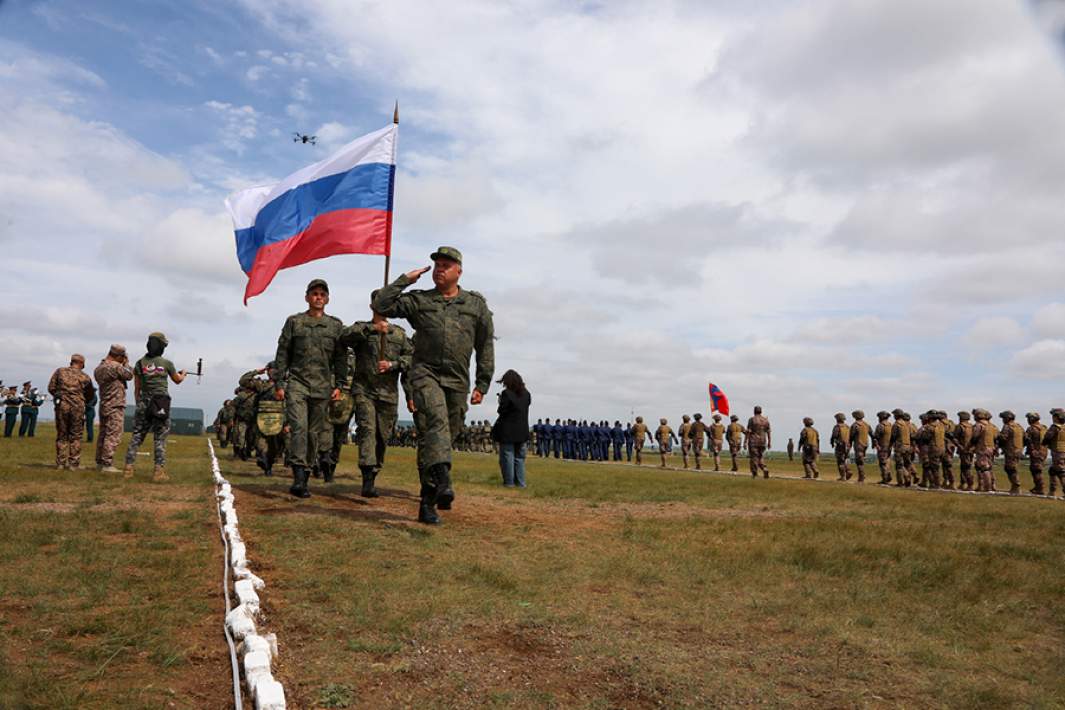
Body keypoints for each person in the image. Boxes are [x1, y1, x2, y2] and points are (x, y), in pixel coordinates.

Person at [373, 247, 495, 525]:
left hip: (457, 380)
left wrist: (483, 383)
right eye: (437, 265)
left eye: (445, 265)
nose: (440, 269)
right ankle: (444, 480)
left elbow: (485, 345)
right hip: (425, 374)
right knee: (437, 423)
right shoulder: (419, 300)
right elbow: (381, 304)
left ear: (458, 271)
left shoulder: (475, 305)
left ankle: (428, 501)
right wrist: (405, 279)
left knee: (441, 439)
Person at [275, 279, 347, 498]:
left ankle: (305, 476)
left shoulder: (335, 325)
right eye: (314, 293)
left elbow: (341, 357)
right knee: (299, 428)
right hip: (297, 384)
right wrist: (279, 383)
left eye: (322, 294)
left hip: (322, 387)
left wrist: (340, 385)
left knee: (314, 433)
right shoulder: (294, 322)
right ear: (307, 297)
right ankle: (297, 476)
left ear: (327, 299)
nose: (318, 297)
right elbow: (282, 353)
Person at [341, 294, 414, 496]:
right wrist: (373, 328)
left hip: (388, 394)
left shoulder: (399, 334)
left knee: (382, 436)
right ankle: (366, 477)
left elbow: (411, 358)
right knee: (367, 430)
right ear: (371, 305)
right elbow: (344, 336)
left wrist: (394, 364)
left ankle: (373, 471)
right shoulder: (362, 328)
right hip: (364, 390)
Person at [123, 333, 186, 481]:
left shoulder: (139, 364)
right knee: (160, 437)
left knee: (137, 435)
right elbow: (177, 380)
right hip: (160, 402)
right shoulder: (167, 363)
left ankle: (128, 469)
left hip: (144, 401)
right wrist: (183, 374)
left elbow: (137, 388)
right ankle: (158, 472)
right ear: (162, 347)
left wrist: (139, 403)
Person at [48, 354, 95, 470]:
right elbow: (90, 395)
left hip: (62, 406)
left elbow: (51, 388)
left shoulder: (59, 372)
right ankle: (73, 464)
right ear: (82, 364)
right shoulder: (85, 377)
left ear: (71, 362)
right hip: (77, 408)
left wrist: (61, 396)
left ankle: (60, 463)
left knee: (62, 435)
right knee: (76, 436)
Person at [93, 345, 133, 472]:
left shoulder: (99, 368)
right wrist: (126, 363)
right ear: (119, 356)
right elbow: (130, 375)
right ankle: (107, 463)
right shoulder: (115, 367)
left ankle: (100, 462)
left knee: (103, 434)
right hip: (115, 404)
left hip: (104, 403)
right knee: (114, 434)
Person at [493, 370, 531, 487]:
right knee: (519, 459)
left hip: (508, 432)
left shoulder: (506, 393)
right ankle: (521, 483)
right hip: (523, 431)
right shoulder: (527, 394)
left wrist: (500, 402)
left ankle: (509, 483)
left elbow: (502, 411)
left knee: (507, 458)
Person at [996, 411, 1024, 496]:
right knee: (1012, 468)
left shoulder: (1007, 426)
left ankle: (1016, 486)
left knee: (1010, 469)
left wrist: (997, 436)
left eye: (1003, 418)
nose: (1003, 420)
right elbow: (1026, 437)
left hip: (1011, 451)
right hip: (1018, 450)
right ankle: (1015, 486)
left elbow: (1003, 438)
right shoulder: (1019, 426)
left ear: (1007, 418)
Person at [971, 408, 999, 493]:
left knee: (983, 468)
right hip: (991, 448)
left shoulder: (979, 425)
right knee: (989, 468)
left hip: (982, 448)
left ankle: (987, 487)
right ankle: (991, 486)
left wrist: (970, 445)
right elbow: (997, 438)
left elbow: (975, 437)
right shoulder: (992, 426)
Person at [1041, 409, 1065, 498]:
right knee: (1053, 471)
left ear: (1057, 418)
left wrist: (1043, 444)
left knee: (1061, 472)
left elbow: (1047, 437)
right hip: (1063, 451)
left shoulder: (1055, 427)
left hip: (1058, 452)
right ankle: (1052, 491)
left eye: (1054, 416)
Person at [1024, 412, 1048, 495]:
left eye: (1028, 418)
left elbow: (1026, 440)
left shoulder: (1031, 429)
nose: (1027, 420)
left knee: (1036, 470)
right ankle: (1038, 487)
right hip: (1044, 452)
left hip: (1035, 452)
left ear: (1032, 419)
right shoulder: (1044, 428)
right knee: (1038, 469)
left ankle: (1040, 488)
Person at [746, 406, 771, 478]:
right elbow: (768, 432)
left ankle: (755, 473)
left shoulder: (752, 419)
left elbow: (749, 431)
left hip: (753, 441)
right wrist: (769, 442)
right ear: (761, 411)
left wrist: (745, 441)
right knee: (760, 456)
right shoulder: (766, 420)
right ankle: (764, 468)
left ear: (754, 411)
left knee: (754, 457)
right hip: (763, 441)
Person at [954, 411, 975, 491]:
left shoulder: (960, 426)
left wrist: (959, 446)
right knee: (965, 467)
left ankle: (970, 484)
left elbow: (955, 438)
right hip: (971, 450)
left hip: (964, 449)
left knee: (966, 467)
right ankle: (963, 483)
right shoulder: (972, 426)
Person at [873, 411, 894, 484]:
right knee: (887, 462)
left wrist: (876, 445)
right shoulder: (891, 425)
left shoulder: (880, 425)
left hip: (882, 446)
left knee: (882, 463)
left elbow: (876, 437)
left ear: (881, 418)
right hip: (889, 447)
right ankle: (888, 475)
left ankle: (885, 478)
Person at [850, 410, 870, 484]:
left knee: (859, 462)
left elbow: (851, 436)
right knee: (861, 461)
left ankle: (861, 478)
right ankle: (862, 476)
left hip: (859, 445)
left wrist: (849, 443)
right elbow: (872, 434)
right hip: (865, 444)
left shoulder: (855, 425)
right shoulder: (866, 424)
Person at [829, 413, 851, 481]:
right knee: (846, 459)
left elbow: (834, 436)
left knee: (840, 461)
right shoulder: (847, 427)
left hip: (840, 446)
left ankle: (843, 476)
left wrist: (832, 442)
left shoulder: (837, 427)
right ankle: (848, 470)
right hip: (848, 446)